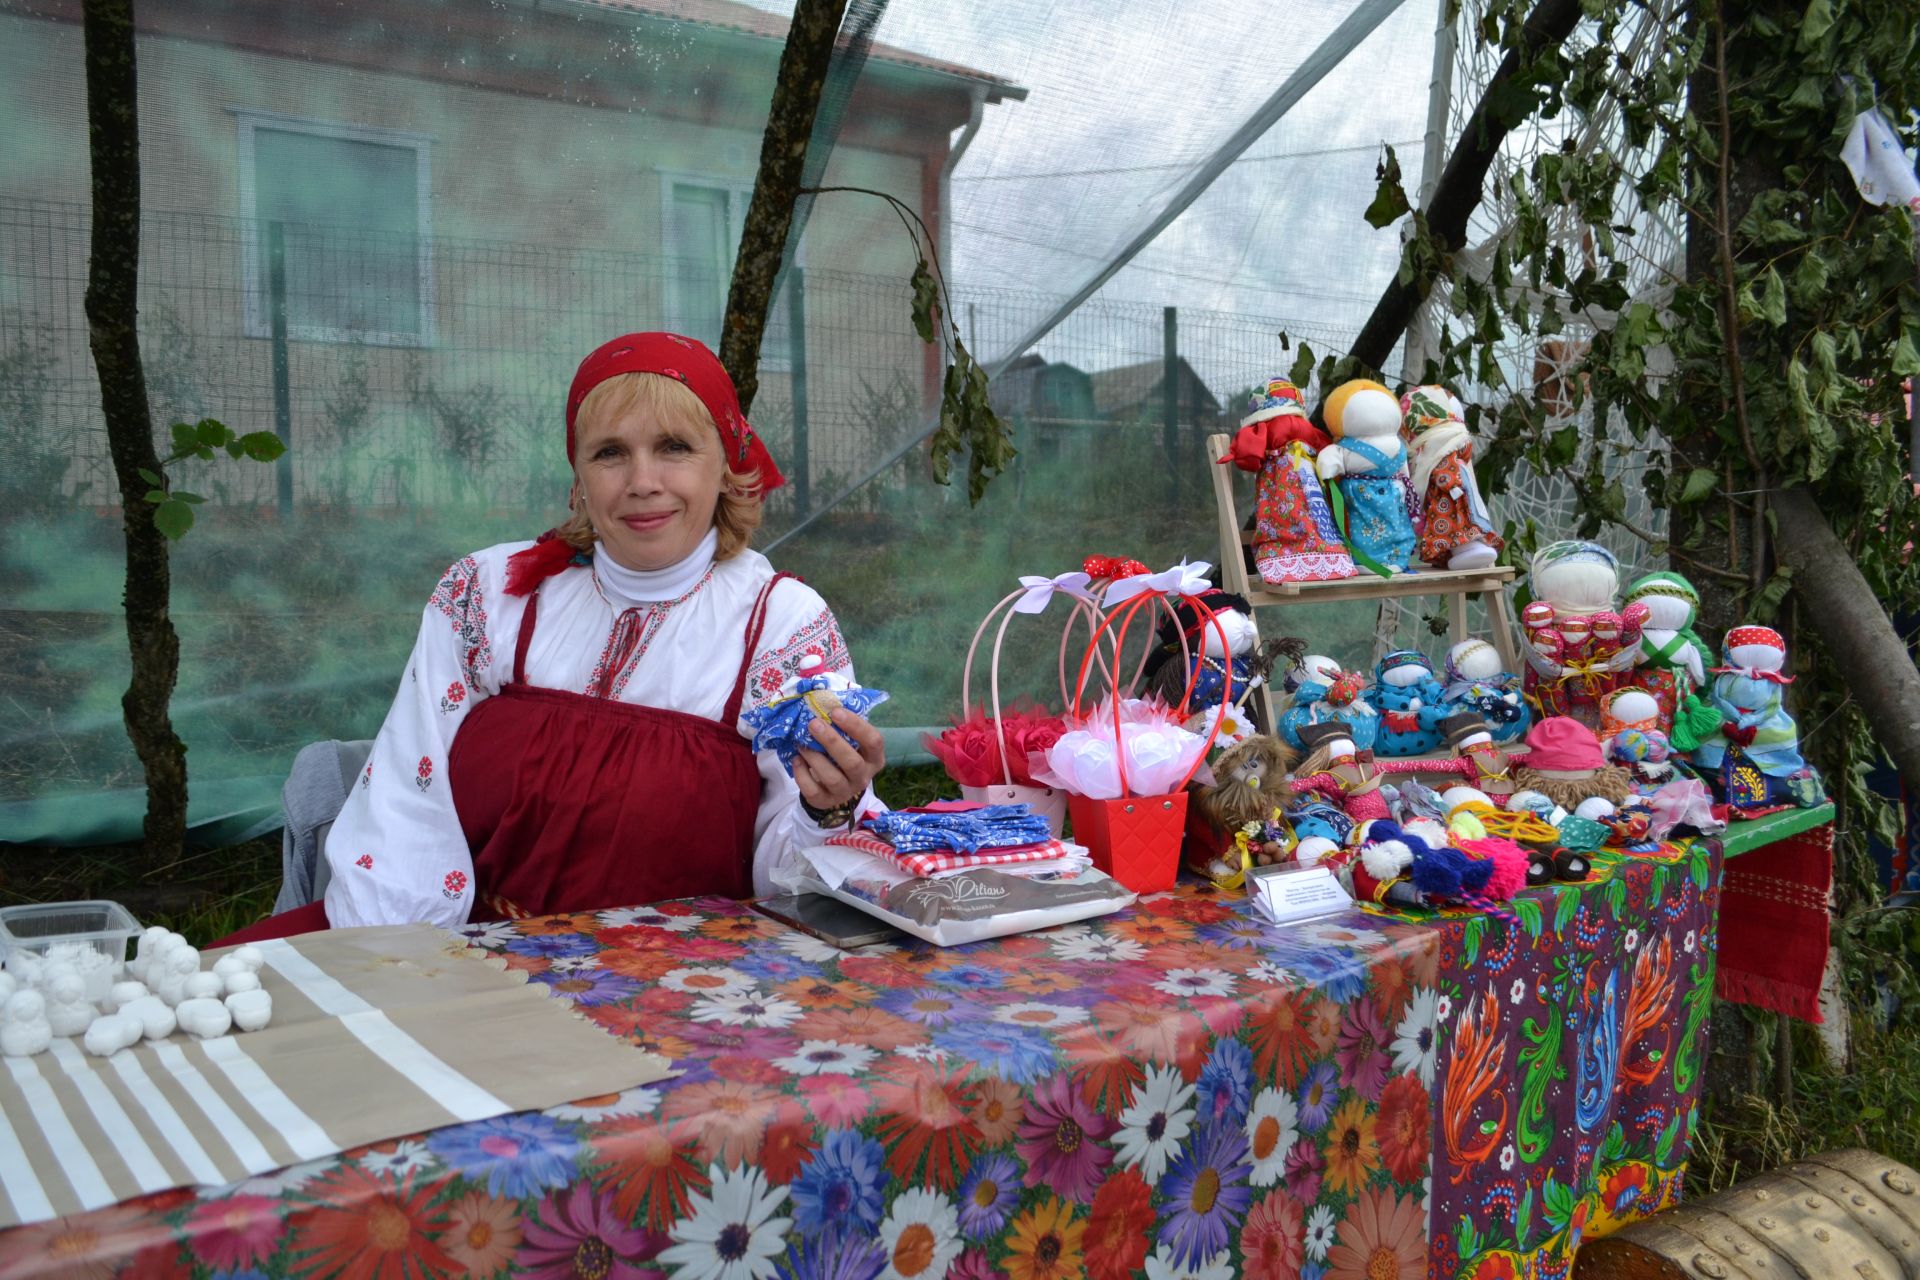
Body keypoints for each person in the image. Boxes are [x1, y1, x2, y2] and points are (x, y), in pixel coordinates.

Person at [232, 333, 884, 937]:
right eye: (610, 453)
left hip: (677, 980)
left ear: (726, 467)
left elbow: (784, 885)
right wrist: (405, 968)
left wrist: (828, 809)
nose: (642, 481)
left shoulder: (781, 626)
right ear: (579, 477)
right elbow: (410, 795)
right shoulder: (490, 593)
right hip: (466, 952)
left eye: (674, 448)